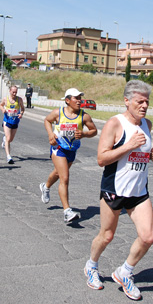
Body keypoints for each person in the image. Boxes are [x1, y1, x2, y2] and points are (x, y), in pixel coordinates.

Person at [84, 80, 153, 300]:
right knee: (107, 236)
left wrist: (152, 155)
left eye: (147, 101)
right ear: (127, 101)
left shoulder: (148, 124)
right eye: (139, 101)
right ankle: (91, 266)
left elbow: (141, 155)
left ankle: (125, 272)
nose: (144, 106)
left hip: (139, 191)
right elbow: (101, 158)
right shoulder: (114, 124)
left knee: (148, 237)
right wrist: (128, 145)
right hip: (114, 189)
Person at [39, 88, 97, 223]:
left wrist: (84, 134)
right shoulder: (58, 113)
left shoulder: (84, 116)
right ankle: (67, 211)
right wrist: (50, 134)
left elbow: (94, 131)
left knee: (58, 173)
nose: (79, 101)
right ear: (67, 100)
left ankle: (45, 186)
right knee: (64, 177)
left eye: (80, 98)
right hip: (58, 148)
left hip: (72, 150)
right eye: (76, 98)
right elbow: (47, 121)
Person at [0, 85, 25, 164]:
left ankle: (4, 140)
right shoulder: (5, 99)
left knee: (11, 139)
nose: (14, 94)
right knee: (8, 138)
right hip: (7, 121)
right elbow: (0, 105)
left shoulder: (19, 99)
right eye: (13, 92)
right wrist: (3, 109)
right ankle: (8, 156)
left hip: (15, 121)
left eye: (15, 92)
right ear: (10, 91)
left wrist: (21, 114)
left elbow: (23, 108)